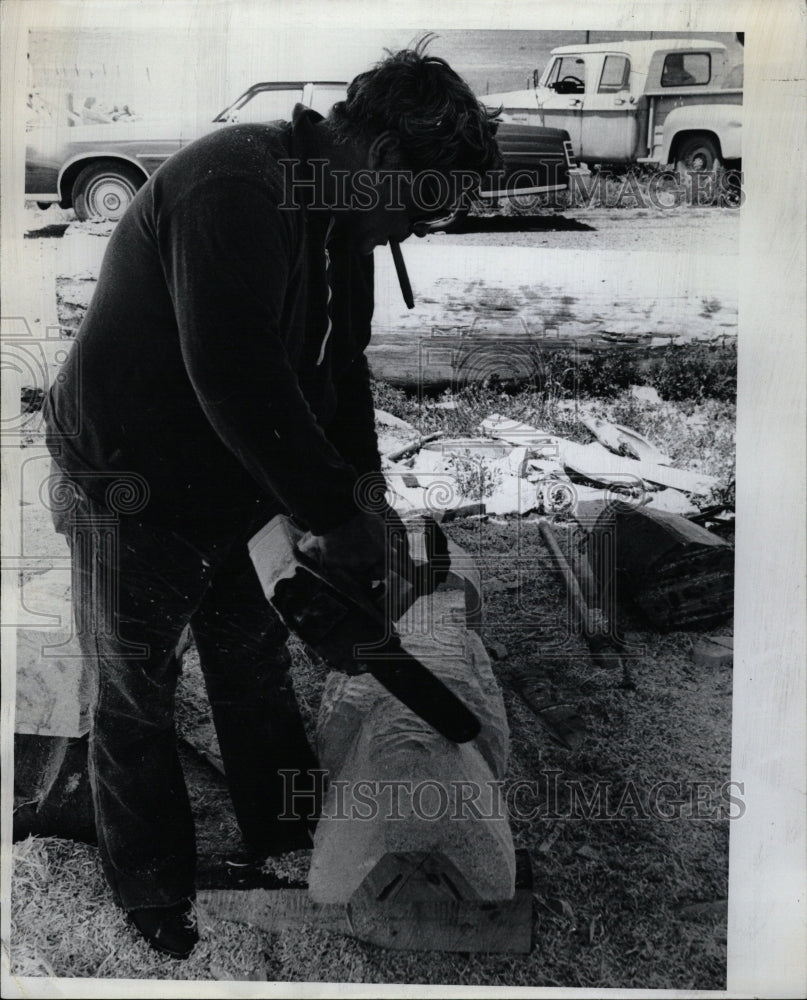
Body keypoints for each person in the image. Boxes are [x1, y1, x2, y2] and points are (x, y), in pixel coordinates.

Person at [44, 40, 501, 959]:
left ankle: (285, 835)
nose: (414, 232)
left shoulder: (343, 225)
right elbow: (236, 373)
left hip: (226, 473)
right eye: (419, 207)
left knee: (252, 662)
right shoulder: (236, 184)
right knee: (136, 688)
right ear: (378, 161)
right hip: (125, 478)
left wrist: (365, 505)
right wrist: (328, 516)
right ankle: (151, 887)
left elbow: (341, 371)